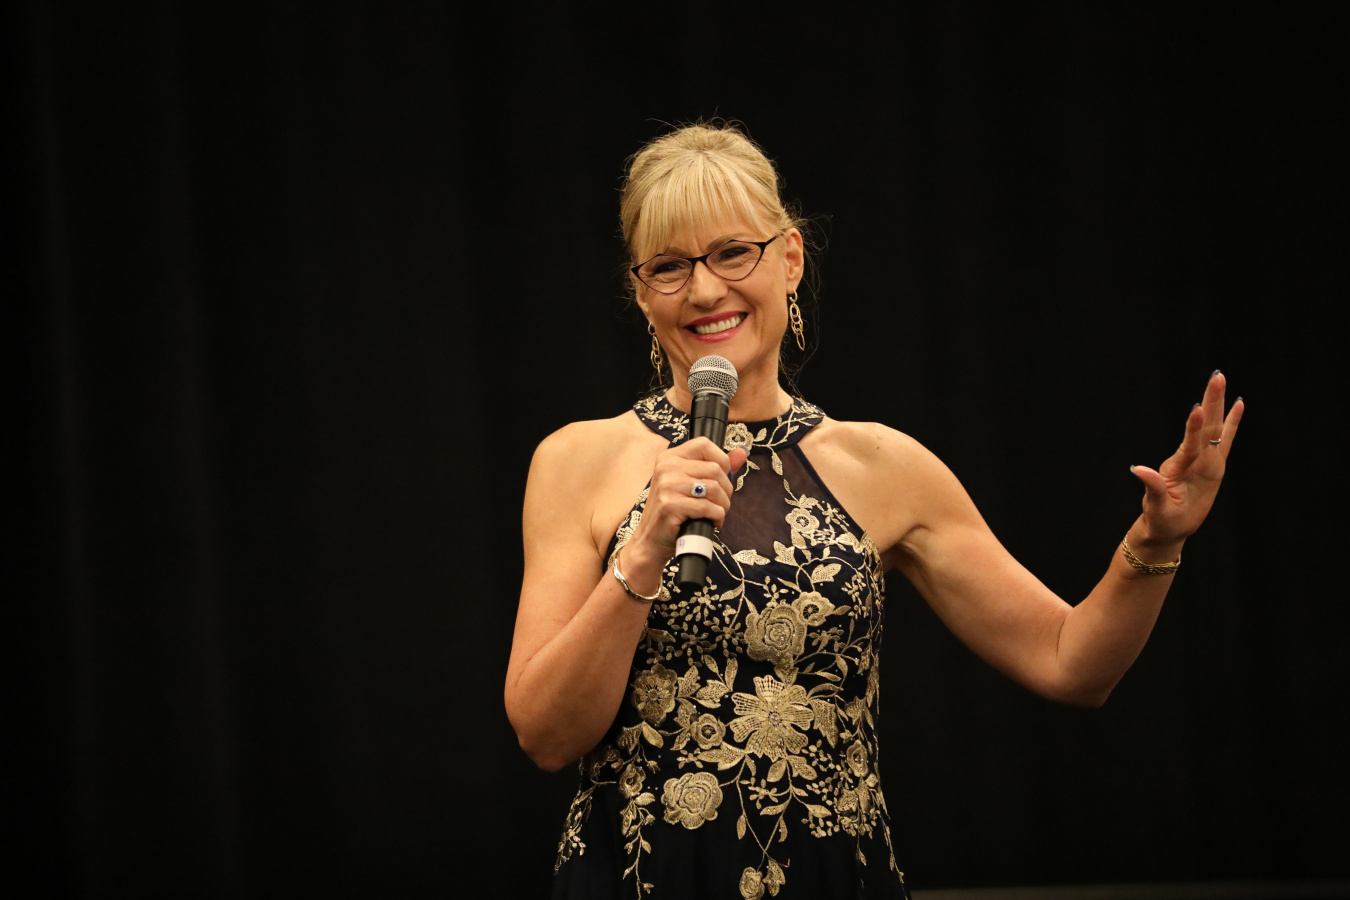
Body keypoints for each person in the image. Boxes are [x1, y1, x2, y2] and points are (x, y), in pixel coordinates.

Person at [504, 122, 1243, 900]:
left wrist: (1155, 541)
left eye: (732, 253)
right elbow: (545, 735)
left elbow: (1071, 664)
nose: (705, 290)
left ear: (790, 259)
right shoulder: (577, 461)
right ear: (639, 289)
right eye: (669, 266)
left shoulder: (885, 468)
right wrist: (643, 553)